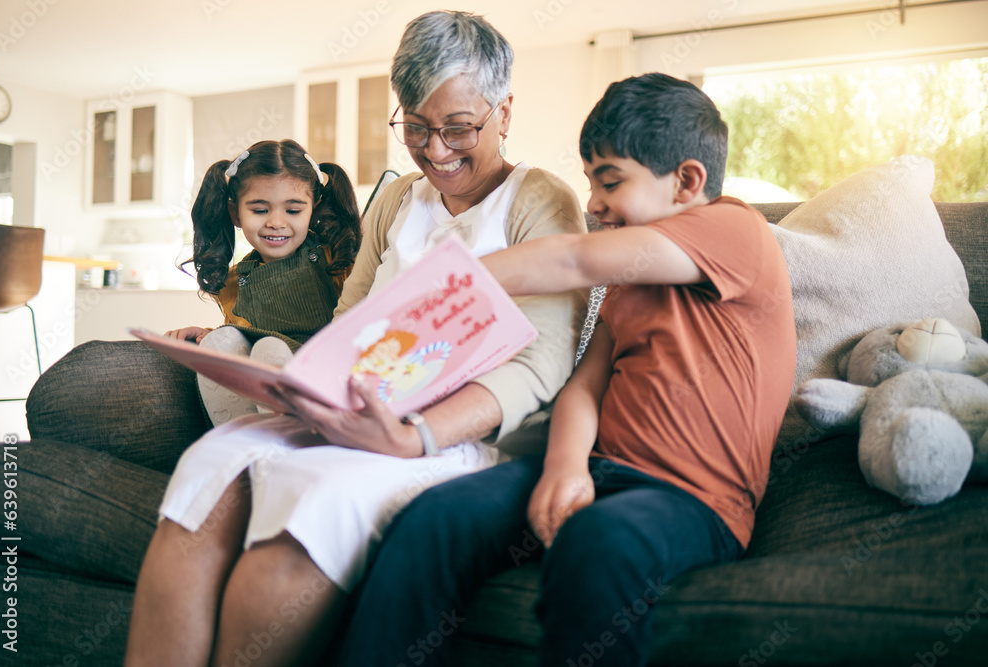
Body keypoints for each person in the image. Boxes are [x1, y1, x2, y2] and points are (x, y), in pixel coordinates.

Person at [123, 10, 586, 667]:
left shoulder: (538, 199)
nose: (435, 150)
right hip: (356, 407)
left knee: (308, 510)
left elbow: (541, 362)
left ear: (504, 112)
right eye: (417, 127)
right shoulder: (398, 204)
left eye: (458, 127)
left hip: (457, 434)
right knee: (207, 479)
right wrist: (306, 386)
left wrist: (413, 436)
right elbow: (350, 321)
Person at [336, 73, 798, 667]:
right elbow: (586, 385)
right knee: (434, 518)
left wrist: (438, 290)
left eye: (611, 182)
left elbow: (572, 257)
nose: (595, 204)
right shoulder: (630, 281)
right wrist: (564, 469)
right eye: (590, 183)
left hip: (695, 501)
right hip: (600, 470)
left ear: (687, 181)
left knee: (598, 542)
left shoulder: (737, 231)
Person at [164, 139, 361, 426]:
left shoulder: (339, 262)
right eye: (260, 210)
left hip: (327, 387)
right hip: (263, 399)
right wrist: (207, 335)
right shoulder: (232, 284)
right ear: (236, 213)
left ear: (313, 209)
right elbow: (243, 337)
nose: (276, 222)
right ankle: (247, 450)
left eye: (293, 211)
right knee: (222, 341)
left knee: (270, 349)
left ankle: (294, 446)